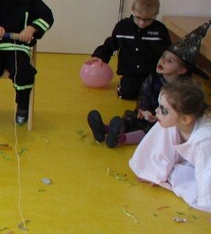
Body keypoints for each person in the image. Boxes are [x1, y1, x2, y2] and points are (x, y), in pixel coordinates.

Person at [90, 20, 210, 148]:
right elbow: (144, 93)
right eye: (163, 56)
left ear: (182, 70)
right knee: (132, 120)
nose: (162, 61)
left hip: (165, 120)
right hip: (149, 112)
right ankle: (106, 129)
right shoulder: (154, 77)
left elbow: (193, 107)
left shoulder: (185, 88)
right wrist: (143, 108)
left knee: (151, 130)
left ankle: (121, 139)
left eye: (170, 61)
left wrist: (159, 117)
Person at [129, 78, 211, 213]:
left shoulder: (205, 140)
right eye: (159, 106)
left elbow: (208, 171)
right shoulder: (173, 122)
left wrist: (207, 204)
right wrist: (153, 172)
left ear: (185, 118)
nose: (156, 111)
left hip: (207, 165)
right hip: (199, 163)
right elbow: (160, 147)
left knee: (191, 186)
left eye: (163, 110)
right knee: (178, 174)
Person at [86, 0, 171, 99]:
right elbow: (111, 43)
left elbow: (168, 51)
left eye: (147, 19)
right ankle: (124, 85)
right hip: (130, 72)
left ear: (155, 15)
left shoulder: (160, 30)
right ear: (132, 10)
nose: (141, 23)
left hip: (152, 72)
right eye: (138, 17)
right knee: (127, 93)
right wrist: (99, 56)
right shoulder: (122, 27)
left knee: (157, 96)